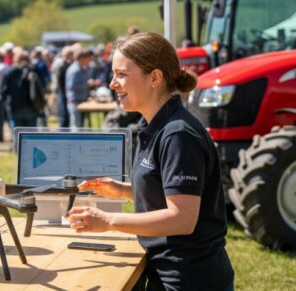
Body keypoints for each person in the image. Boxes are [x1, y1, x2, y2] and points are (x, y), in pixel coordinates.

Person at [67, 32, 234, 291]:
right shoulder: (156, 125)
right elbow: (166, 194)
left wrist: (108, 221)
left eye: (121, 74)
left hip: (189, 278)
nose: (112, 84)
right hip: (168, 271)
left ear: (155, 77)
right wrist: (121, 190)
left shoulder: (178, 134)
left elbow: (182, 218)